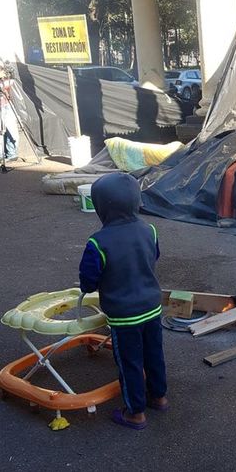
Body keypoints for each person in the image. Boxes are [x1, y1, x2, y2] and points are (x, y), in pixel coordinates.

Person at [79, 172, 168, 429]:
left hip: (124, 314)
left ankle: (135, 412)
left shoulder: (98, 242)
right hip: (152, 307)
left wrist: (90, 286)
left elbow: (88, 279)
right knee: (154, 354)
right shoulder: (149, 230)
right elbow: (154, 257)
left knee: (130, 362)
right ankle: (159, 397)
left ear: (100, 207)